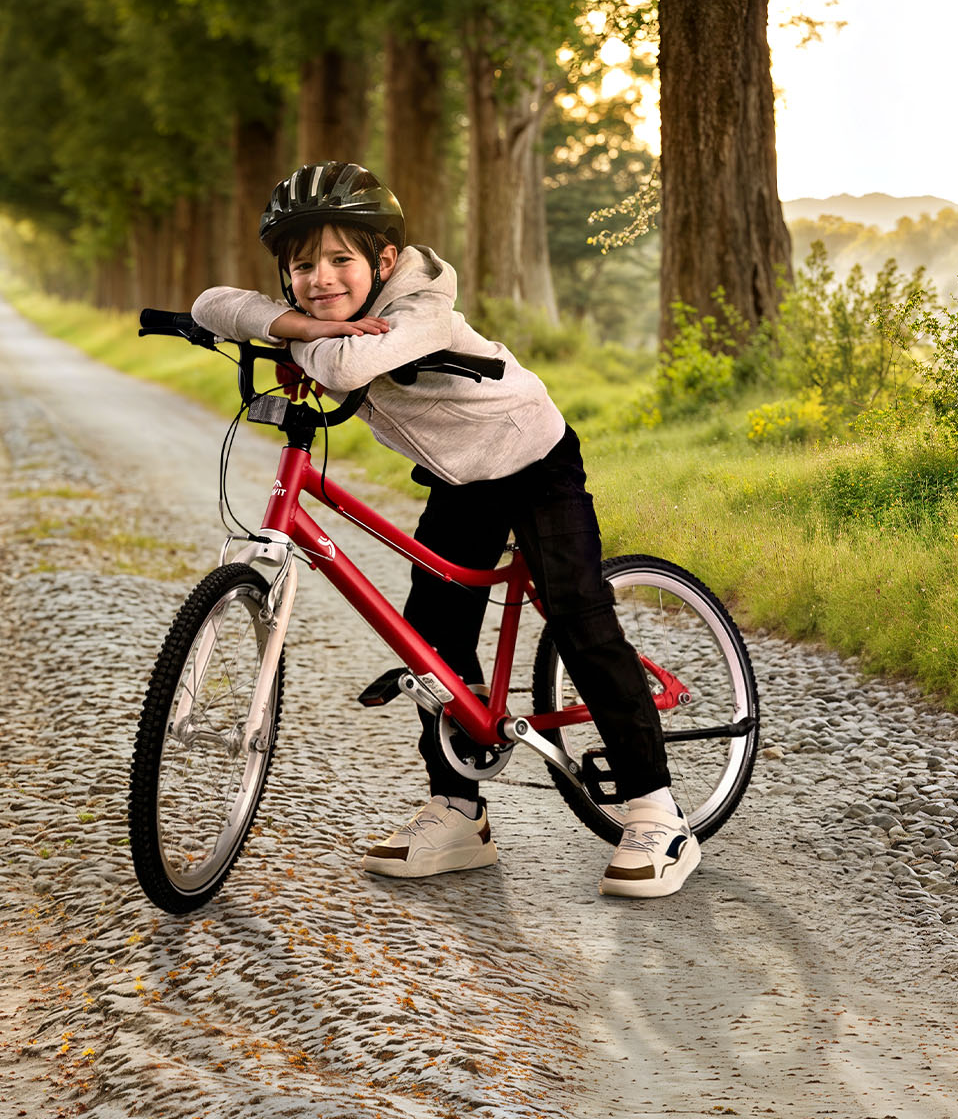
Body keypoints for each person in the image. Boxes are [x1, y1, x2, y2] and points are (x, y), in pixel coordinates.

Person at [189, 160, 697, 899]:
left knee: (579, 617)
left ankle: (656, 812)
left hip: (533, 460)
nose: (322, 279)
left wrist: (294, 340)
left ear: (384, 262)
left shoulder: (422, 300)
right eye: (302, 267)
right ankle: (460, 812)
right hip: (463, 479)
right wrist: (296, 323)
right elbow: (210, 302)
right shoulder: (321, 312)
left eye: (341, 260)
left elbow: (350, 360)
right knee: (429, 637)